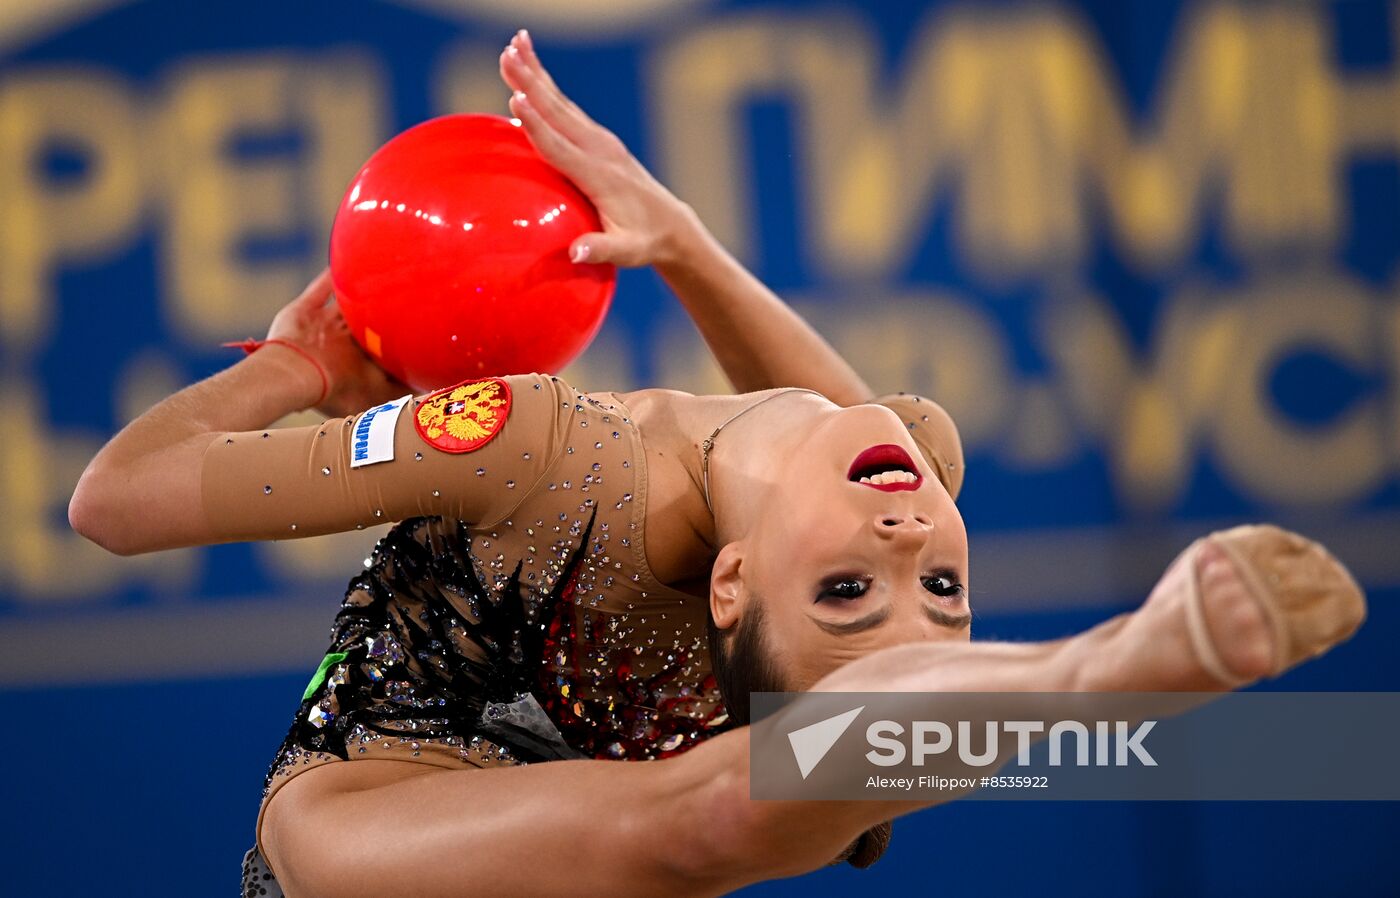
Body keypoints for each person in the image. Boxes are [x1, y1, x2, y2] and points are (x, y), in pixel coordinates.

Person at [69, 29, 1366, 898]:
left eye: (849, 593)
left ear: (735, 584)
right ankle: (1120, 677)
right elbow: (859, 432)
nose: (915, 547)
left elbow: (114, 502)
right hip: (469, 827)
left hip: (372, 816)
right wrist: (681, 241)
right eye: (945, 592)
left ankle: (1113, 669)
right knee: (754, 787)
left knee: (705, 815)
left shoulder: (536, 451)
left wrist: (303, 368)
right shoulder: (900, 461)